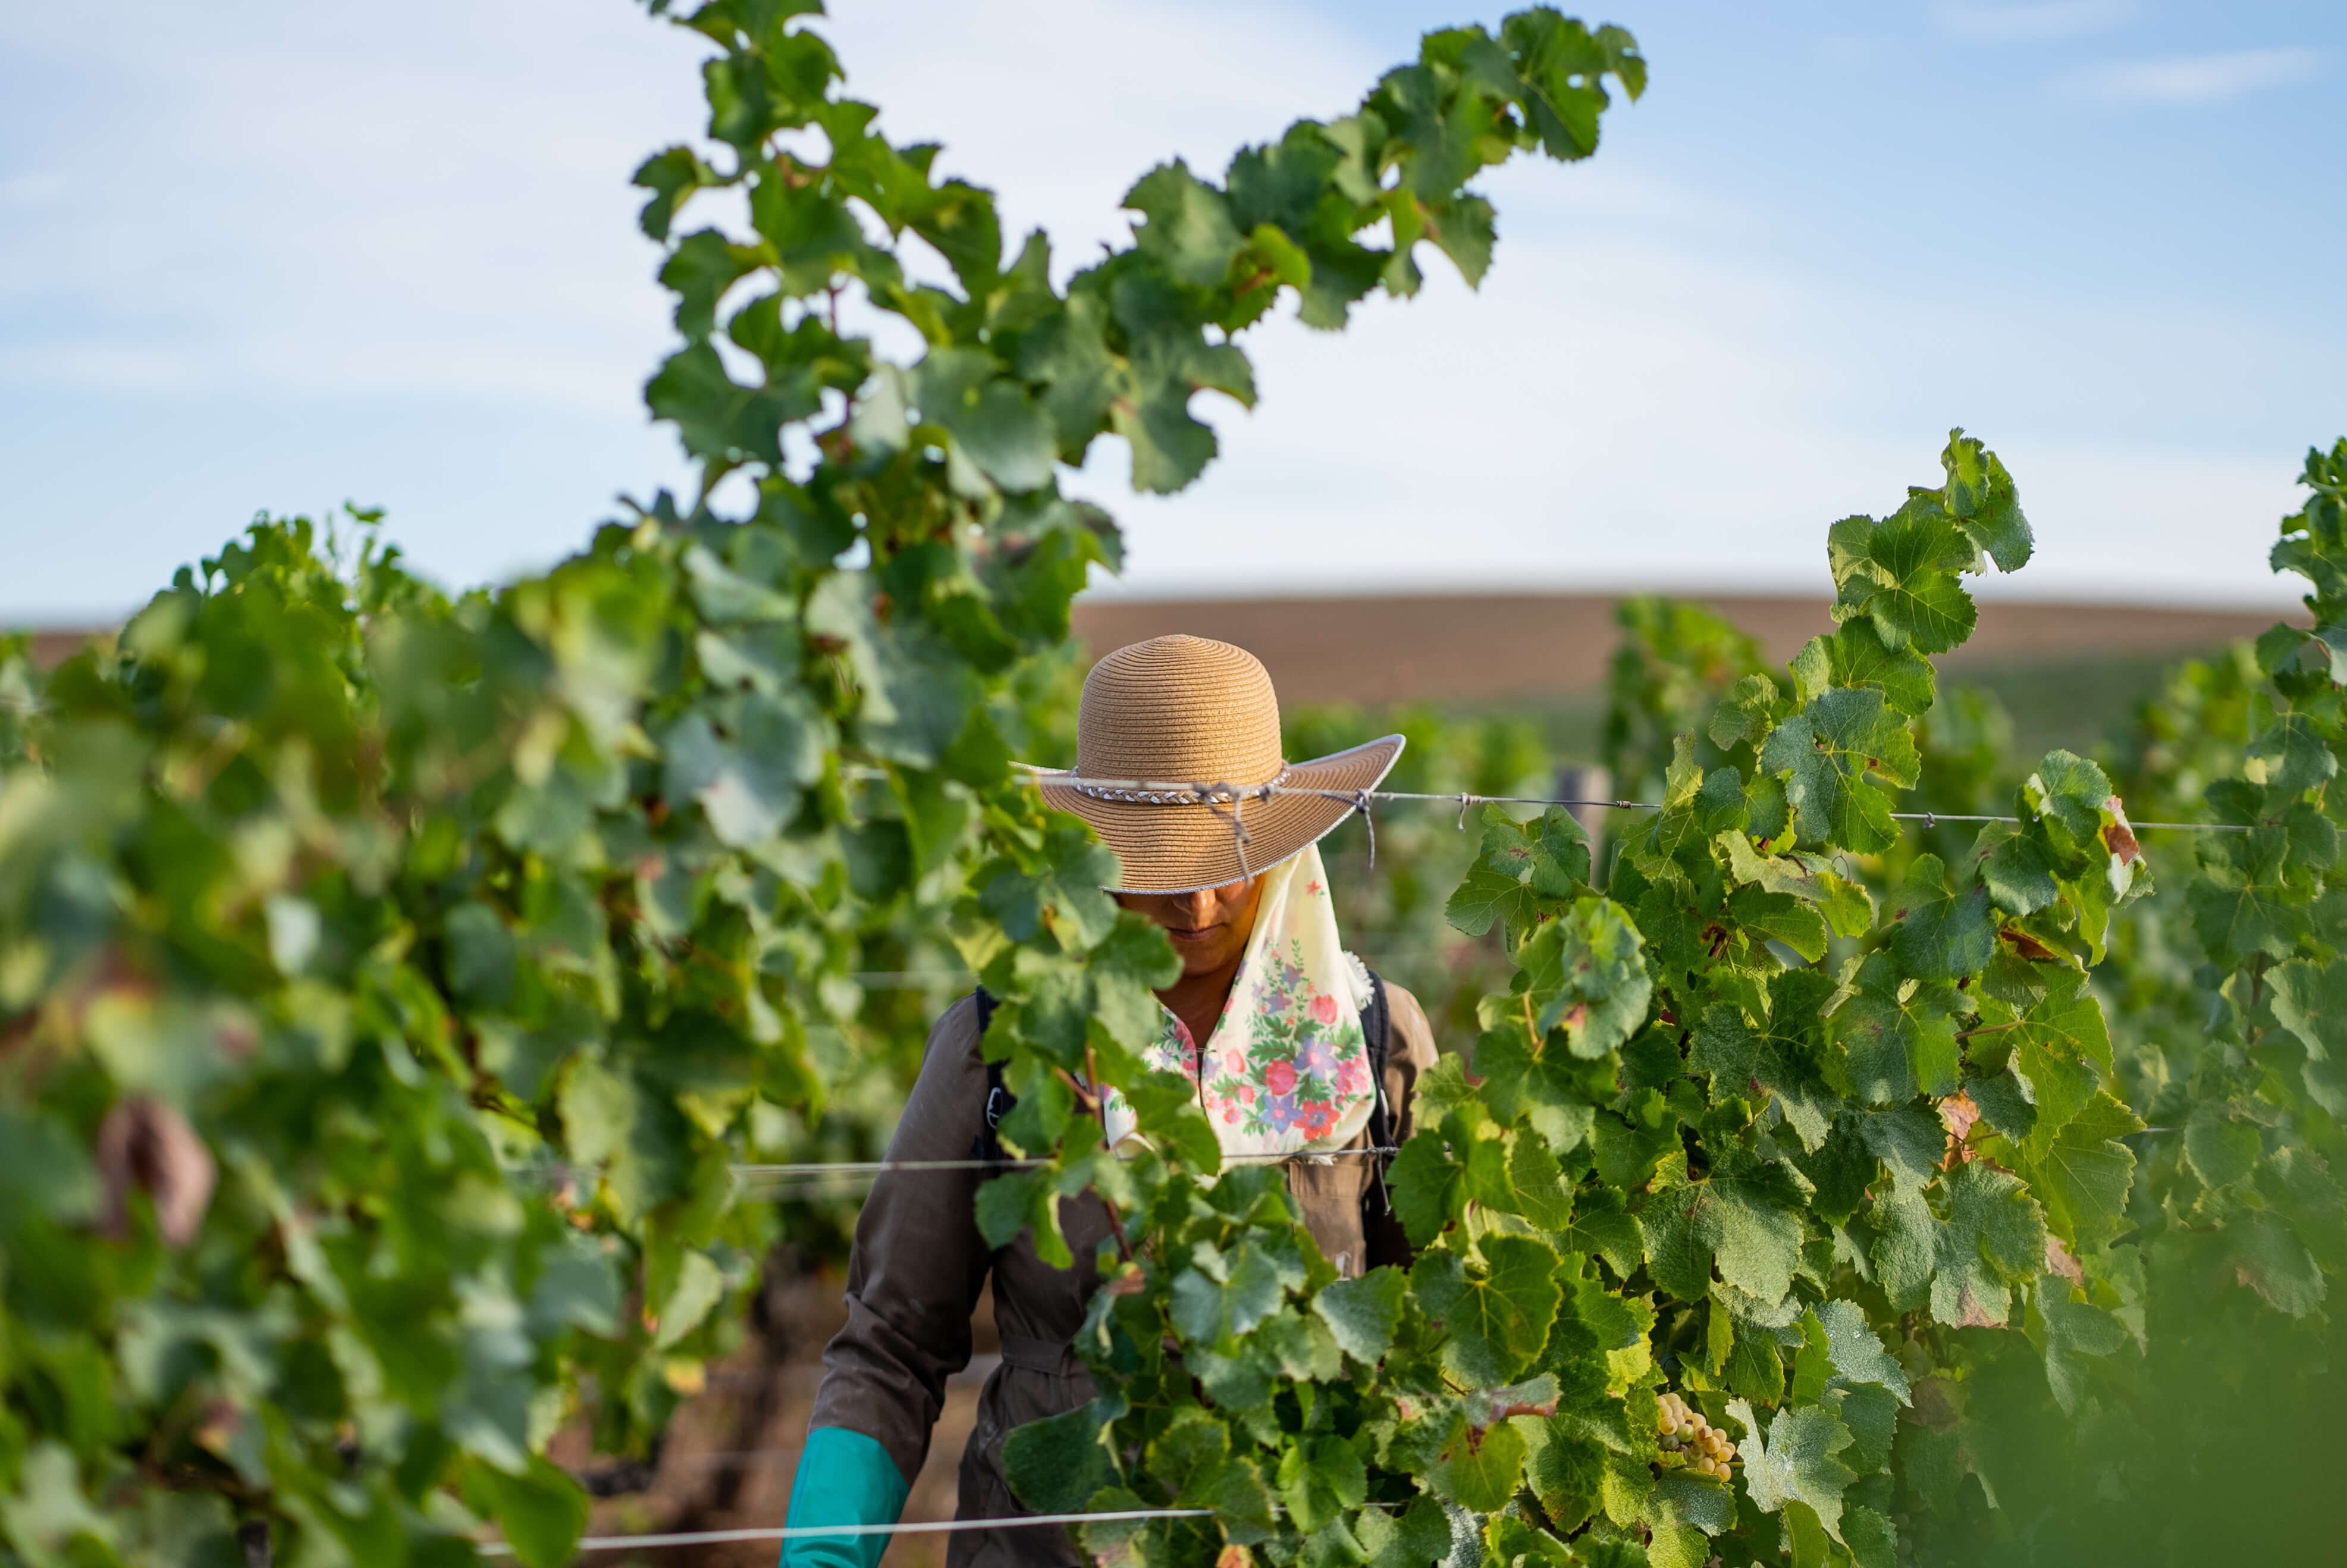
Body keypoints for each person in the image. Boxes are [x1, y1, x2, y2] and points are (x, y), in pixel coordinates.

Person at [780, 635, 1441, 1568]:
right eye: (1160, 866)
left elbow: (1435, 1327)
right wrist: (823, 1557)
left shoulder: (1372, 1037)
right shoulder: (1003, 1044)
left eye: (1233, 859)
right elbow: (891, 1344)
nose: (1201, 904)